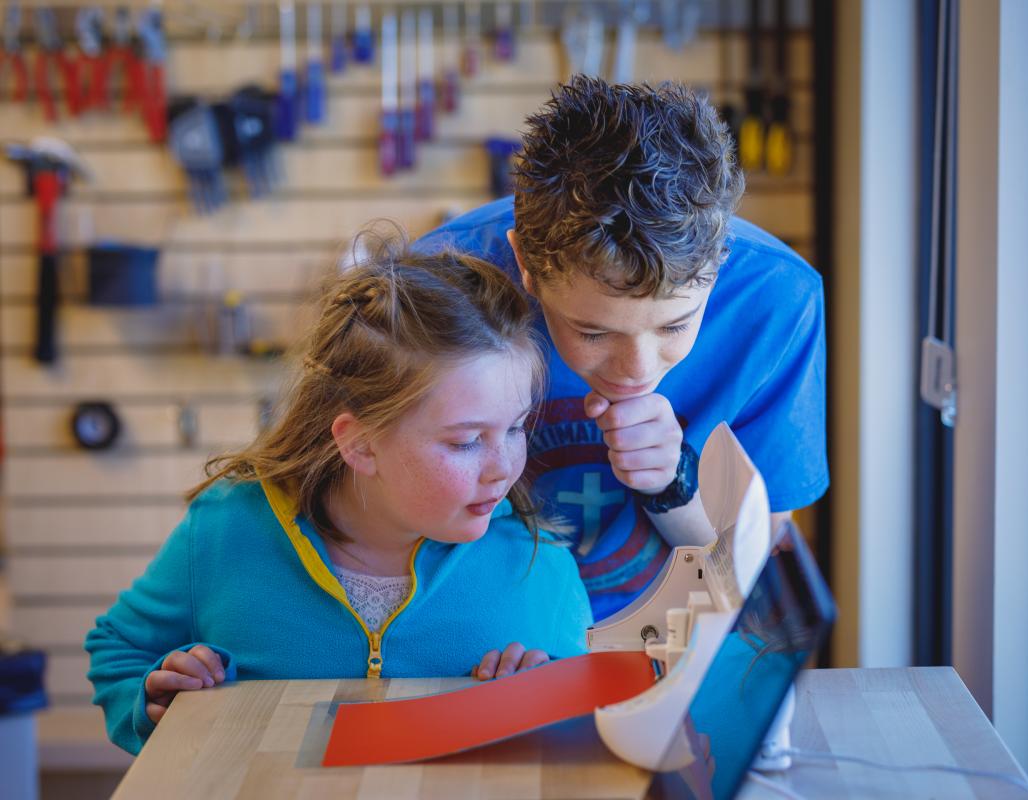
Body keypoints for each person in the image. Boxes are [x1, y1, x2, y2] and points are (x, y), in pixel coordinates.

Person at [85, 236, 592, 755]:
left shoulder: (536, 565)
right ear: (359, 444)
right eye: (465, 441)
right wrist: (154, 698)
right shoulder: (225, 529)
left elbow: (582, 716)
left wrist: (548, 700)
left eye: (515, 428)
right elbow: (118, 650)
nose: (505, 467)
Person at [417, 76, 828, 621]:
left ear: (721, 258)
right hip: (474, 630)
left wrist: (675, 484)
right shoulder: (438, 284)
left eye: (675, 326)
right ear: (525, 267)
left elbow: (752, 568)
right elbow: (382, 523)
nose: (636, 371)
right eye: (592, 332)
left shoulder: (778, 300)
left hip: (675, 638)